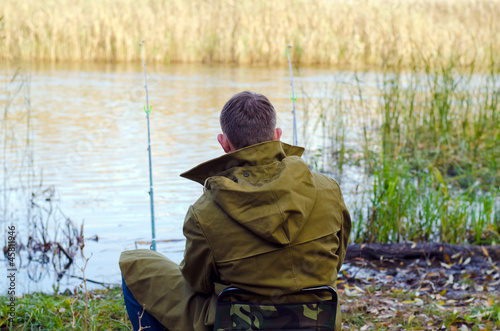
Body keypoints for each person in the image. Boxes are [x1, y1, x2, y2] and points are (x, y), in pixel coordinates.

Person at [119, 91, 351, 331]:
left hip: (237, 324)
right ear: (277, 135)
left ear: (224, 143)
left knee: (134, 262)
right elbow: (336, 260)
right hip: (315, 321)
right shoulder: (329, 190)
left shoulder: (204, 211)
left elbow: (199, 284)